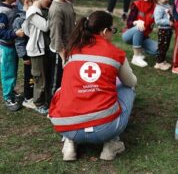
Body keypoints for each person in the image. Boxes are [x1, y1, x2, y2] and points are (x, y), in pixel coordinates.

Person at [49, 11, 137, 162]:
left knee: (65, 90)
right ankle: (111, 143)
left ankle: (69, 143)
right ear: (104, 31)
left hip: (68, 127)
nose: (112, 34)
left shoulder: (72, 50)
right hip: (104, 129)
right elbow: (131, 82)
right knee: (129, 88)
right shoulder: (115, 53)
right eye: (112, 30)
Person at [24, 0, 51, 114]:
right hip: (36, 51)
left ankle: (43, 100)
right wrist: (55, 15)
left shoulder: (38, 11)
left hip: (40, 49)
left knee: (43, 76)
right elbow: (45, 26)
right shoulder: (33, 12)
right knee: (39, 77)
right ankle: (38, 103)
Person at [48, 0, 76, 97]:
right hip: (59, 54)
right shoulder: (56, 9)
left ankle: (64, 102)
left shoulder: (68, 4)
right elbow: (55, 36)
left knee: (67, 79)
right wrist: (63, 56)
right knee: (56, 81)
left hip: (69, 49)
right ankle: (52, 106)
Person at [0, 0, 24, 111]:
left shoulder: (12, 7)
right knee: (7, 72)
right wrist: (15, 33)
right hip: (6, 48)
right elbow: (1, 32)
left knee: (13, 70)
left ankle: (12, 91)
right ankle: (8, 98)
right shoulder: (2, 12)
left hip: (12, 46)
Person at [122, 0, 157, 68]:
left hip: (144, 37)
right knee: (139, 27)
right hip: (129, 34)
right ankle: (136, 57)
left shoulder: (156, 6)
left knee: (158, 50)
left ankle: (140, 49)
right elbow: (129, 23)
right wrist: (136, 22)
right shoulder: (136, 4)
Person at [12, 0, 35, 109]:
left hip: (36, 53)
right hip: (28, 56)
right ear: (27, 2)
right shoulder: (20, 19)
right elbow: (19, 41)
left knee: (35, 75)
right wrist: (24, 56)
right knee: (29, 77)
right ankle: (28, 98)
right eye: (34, 0)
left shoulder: (34, 15)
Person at [153, 0, 173, 71]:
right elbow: (157, 21)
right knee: (162, 47)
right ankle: (159, 63)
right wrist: (168, 22)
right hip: (163, 30)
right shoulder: (158, 8)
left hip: (168, 30)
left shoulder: (166, 5)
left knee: (166, 46)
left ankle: (163, 60)